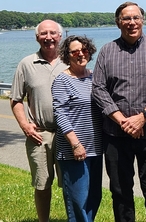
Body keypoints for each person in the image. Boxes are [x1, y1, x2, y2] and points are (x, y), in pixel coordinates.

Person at [92, 1, 146, 222]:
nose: (132, 22)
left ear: (142, 20)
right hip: (116, 135)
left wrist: (143, 117)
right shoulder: (107, 51)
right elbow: (98, 88)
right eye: (126, 18)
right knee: (120, 192)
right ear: (118, 22)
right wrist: (122, 121)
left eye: (136, 17)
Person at [9, 19, 68, 222]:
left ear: (60, 36)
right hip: (39, 134)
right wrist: (25, 125)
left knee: (70, 183)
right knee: (42, 184)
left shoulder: (71, 60)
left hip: (68, 134)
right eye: (44, 34)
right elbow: (15, 99)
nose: (48, 37)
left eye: (53, 33)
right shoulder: (26, 64)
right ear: (37, 37)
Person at [51, 35, 103, 221]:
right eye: (75, 51)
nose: (80, 53)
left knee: (94, 197)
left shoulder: (94, 77)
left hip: (96, 148)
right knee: (78, 202)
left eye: (84, 50)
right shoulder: (62, 80)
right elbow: (60, 114)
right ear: (67, 55)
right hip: (74, 151)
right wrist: (75, 144)